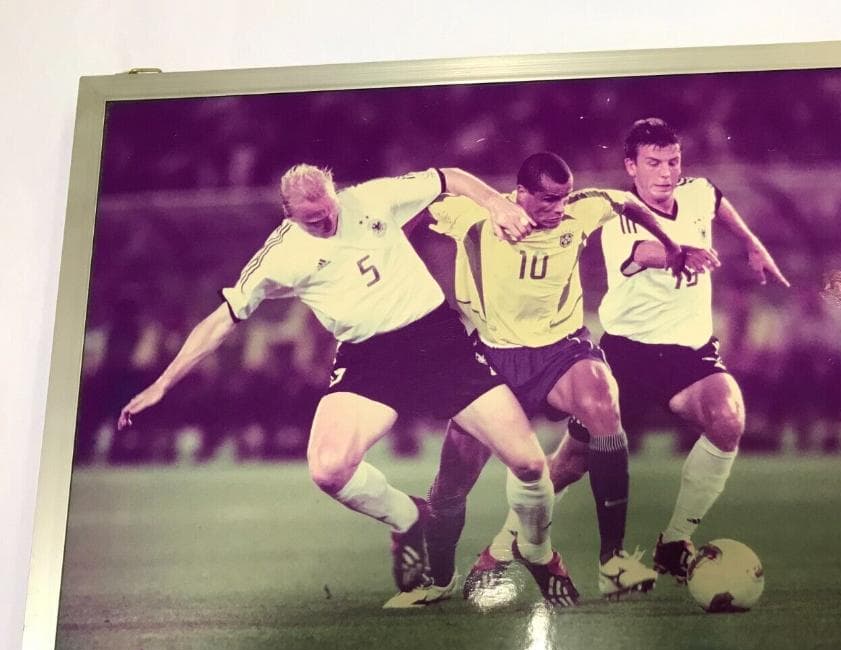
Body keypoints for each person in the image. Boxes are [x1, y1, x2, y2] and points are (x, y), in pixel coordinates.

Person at [117, 163, 579, 608]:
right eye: (312, 221)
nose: (326, 224)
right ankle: (408, 517)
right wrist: (163, 383)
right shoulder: (281, 255)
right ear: (289, 215)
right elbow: (222, 320)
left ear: (334, 193)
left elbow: (449, 178)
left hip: (438, 343)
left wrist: (496, 204)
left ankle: (537, 552)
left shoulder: (370, 198)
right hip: (369, 359)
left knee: (528, 463)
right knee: (328, 469)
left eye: (329, 212)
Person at [421, 152, 687, 604]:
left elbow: (626, 202)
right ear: (520, 193)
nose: (559, 209)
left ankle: (612, 561)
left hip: (560, 350)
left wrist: (672, 244)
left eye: (564, 198)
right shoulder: (475, 216)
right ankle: (440, 577)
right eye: (547, 200)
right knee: (451, 484)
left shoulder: (580, 209)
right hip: (492, 357)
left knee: (604, 406)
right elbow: (421, 199)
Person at [557, 118, 790, 584]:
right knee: (571, 463)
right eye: (653, 163)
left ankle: (675, 542)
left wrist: (752, 244)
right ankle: (508, 540)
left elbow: (716, 200)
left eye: (672, 161)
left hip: (689, 353)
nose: (665, 173)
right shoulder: (618, 216)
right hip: (627, 355)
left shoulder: (696, 192)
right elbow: (642, 252)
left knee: (728, 419)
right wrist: (679, 253)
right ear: (631, 167)